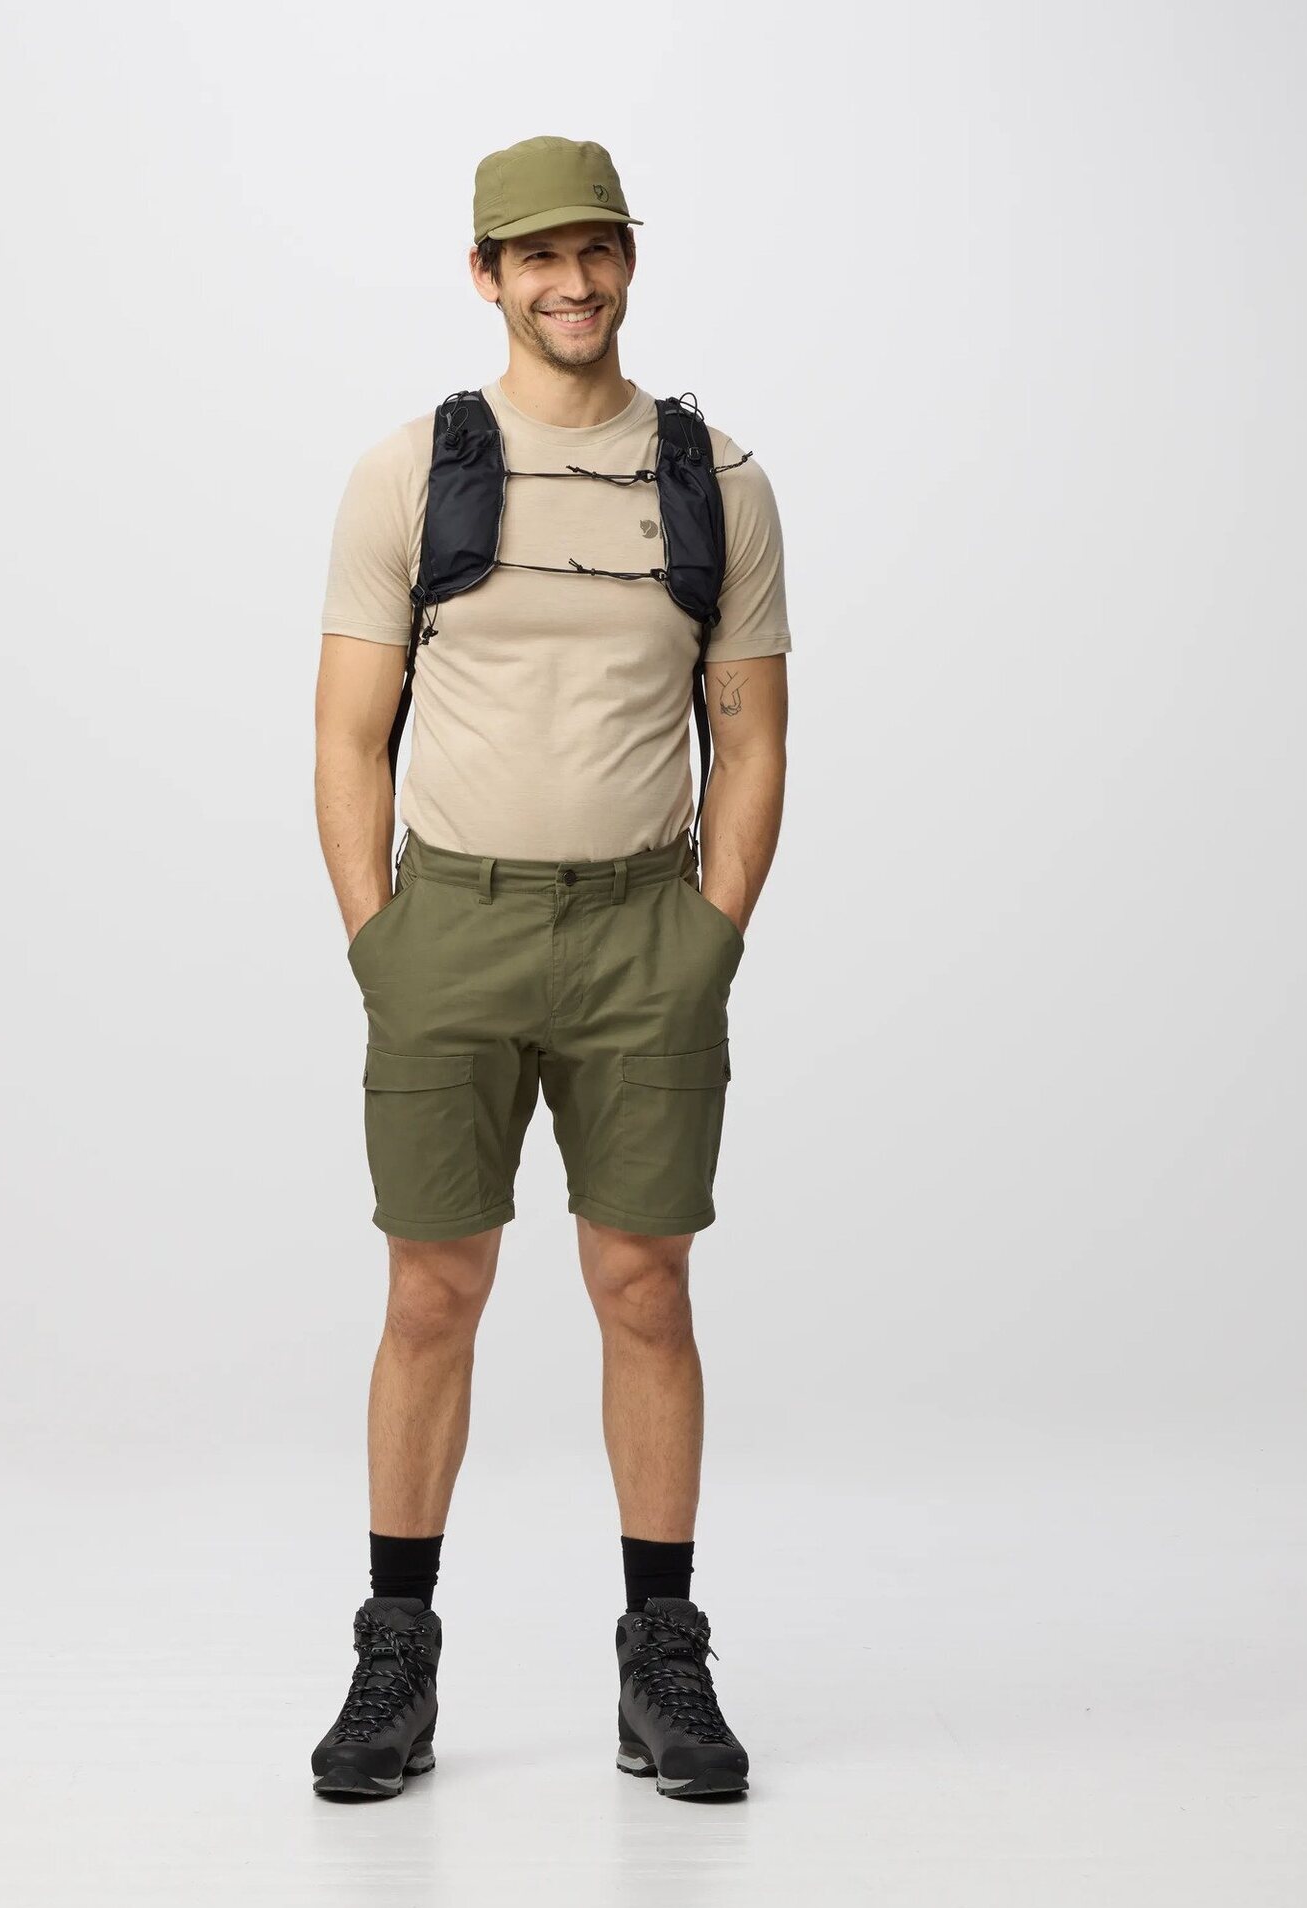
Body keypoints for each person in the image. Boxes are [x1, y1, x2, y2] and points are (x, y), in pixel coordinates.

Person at [309, 135, 790, 1801]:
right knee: (430, 1293)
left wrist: (710, 934)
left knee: (645, 1288)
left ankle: (663, 1658)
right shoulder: (408, 475)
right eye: (536, 257)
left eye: (595, 250)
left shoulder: (715, 477)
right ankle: (395, 1658)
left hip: (646, 930)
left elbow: (750, 731)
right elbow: (348, 732)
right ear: (486, 275)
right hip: (450, 926)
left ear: (628, 261)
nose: (571, 283)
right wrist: (381, 942)